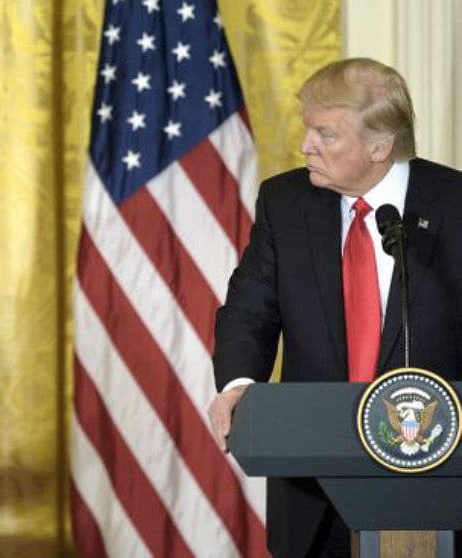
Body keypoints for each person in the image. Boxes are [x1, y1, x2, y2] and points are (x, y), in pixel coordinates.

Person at [208, 58, 462, 557]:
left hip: (436, 487)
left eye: (325, 133)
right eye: (309, 129)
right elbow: (250, 308)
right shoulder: (285, 202)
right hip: (312, 491)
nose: (307, 145)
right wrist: (239, 385)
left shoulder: (455, 203)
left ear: (379, 146)